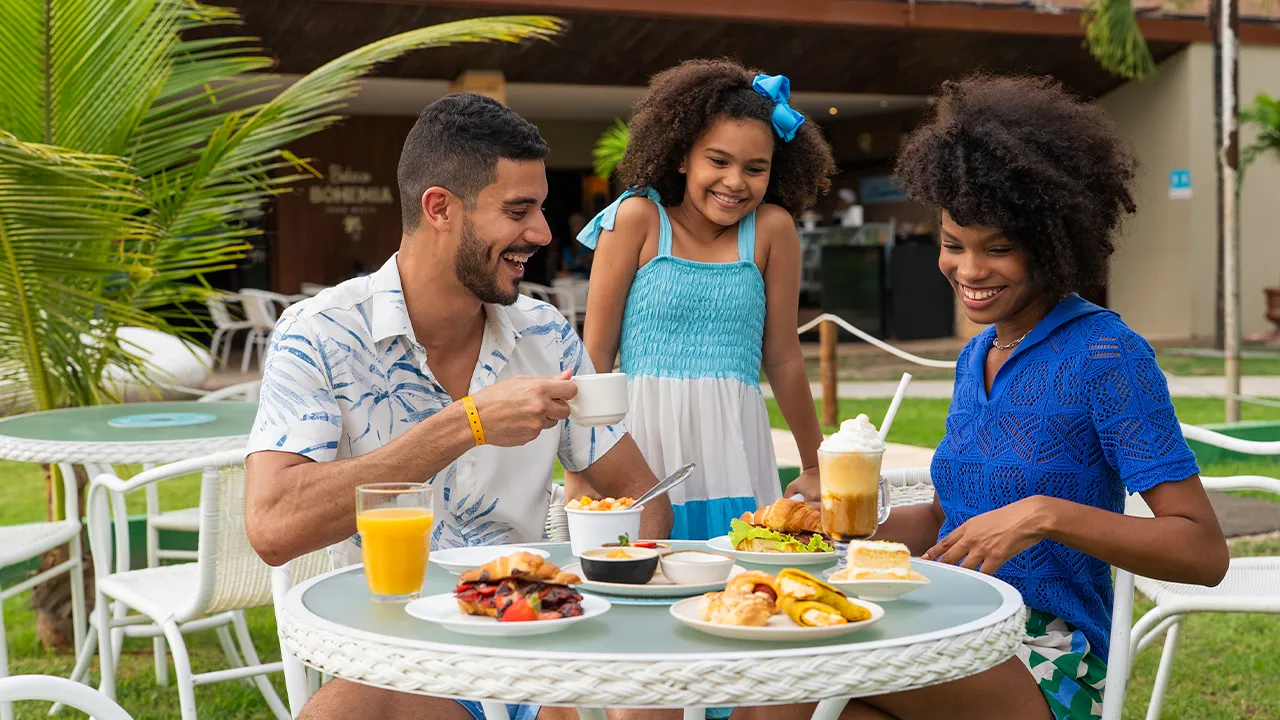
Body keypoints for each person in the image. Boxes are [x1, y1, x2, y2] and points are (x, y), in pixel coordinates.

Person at [742, 75, 1230, 720]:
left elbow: (1201, 552)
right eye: (953, 245)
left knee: (795, 676)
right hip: (949, 618)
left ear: (1054, 244)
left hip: (1044, 653)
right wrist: (833, 529)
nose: (969, 271)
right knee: (767, 699)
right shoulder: (979, 355)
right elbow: (952, 520)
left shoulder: (1107, 355)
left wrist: (1044, 514)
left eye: (998, 248)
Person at [244, 93, 672, 720]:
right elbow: (274, 528)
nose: (543, 234)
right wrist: (466, 424)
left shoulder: (547, 334)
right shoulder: (322, 333)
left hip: (536, 643)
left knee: (643, 703)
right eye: (519, 210)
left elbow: (641, 498)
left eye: (541, 209)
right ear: (440, 208)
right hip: (402, 651)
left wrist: (584, 600)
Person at [570, 58, 836, 540]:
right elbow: (595, 353)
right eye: (718, 161)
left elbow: (783, 358)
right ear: (681, 156)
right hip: (642, 445)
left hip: (733, 446)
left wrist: (816, 464)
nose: (735, 182)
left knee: (734, 585)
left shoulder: (772, 231)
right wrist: (579, 464)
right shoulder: (637, 219)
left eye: (755, 168)